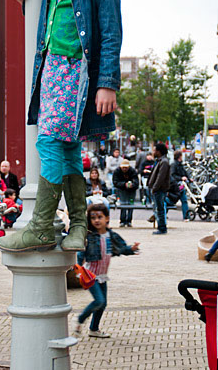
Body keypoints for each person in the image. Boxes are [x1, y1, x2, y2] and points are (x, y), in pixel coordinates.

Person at [0, 0, 122, 253]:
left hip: (76, 73)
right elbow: (45, 26)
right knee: (65, 148)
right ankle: (80, 225)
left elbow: (111, 33)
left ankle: (40, 227)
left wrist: (107, 84)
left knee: (48, 142)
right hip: (50, 69)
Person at [73, 203, 139, 338]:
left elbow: (121, 248)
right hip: (91, 275)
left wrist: (131, 249)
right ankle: (80, 319)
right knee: (99, 301)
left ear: (107, 218)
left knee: (103, 304)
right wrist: (78, 269)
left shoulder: (111, 235)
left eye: (100, 217)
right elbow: (81, 254)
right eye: (93, 218)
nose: (96, 220)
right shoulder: (90, 236)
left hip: (102, 275)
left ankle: (94, 329)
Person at [147, 143, 170, 235]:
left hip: (159, 189)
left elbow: (161, 177)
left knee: (160, 209)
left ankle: (162, 227)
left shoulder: (164, 162)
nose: (153, 152)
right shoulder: (160, 161)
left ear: (159, 152)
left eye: (155, 150)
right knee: (158, 208)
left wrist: (155, 188)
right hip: (157, 189)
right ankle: (161, 227)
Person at [113, 160, 139, 227]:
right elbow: (115, 182)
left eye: (126, 168)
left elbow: (136, 182)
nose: (124, 169)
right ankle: (122, 220)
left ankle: (129, 221)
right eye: (123, 167)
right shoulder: (117, 171)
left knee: (131, 205)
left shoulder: (132, 171)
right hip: (122, 189)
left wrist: (132, 185)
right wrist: (124, 184)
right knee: (123, 204)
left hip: (132, 190)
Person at [170, 150, 191, 221]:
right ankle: (186, 216)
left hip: (181, 185)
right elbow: (172, 175)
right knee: (174, 201)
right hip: (176, 186)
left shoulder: (179, 164)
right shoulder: (174, 165)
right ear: (179, 157)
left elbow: (184, 172)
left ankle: (186, 216)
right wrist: (181, 178)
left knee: (184, 200)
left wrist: (189, 178)